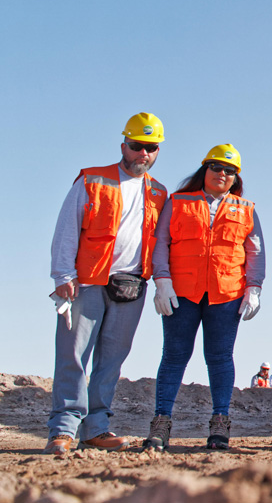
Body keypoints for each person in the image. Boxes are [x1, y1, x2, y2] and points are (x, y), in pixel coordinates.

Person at [44, 113, 168, 457]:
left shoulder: (158, 192)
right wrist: (62, 276)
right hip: (86, 283)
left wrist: (161, 283)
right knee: (73, 356)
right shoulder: (91, 181)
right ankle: (64, 429)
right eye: (136, 146)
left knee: (111, 361)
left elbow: (159, 243)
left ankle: (96, 428)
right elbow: (67, 230)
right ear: (123, 145)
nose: (143, 153)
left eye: (151, 148)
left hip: (131, 286)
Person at [143, 144, 265, 451]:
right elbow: (161, 243)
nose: (222, 174)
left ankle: (220, 424)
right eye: (216, 167)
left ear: (236, 177)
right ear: (204, 170)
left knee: (220, 357)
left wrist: (254, 287)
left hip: (226, 294)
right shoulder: (179, 201)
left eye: (229, 170)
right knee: (174, 356)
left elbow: (255, 251)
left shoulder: (246, 208)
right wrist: (162, 281)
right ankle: (160, 424)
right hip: (181, 293)